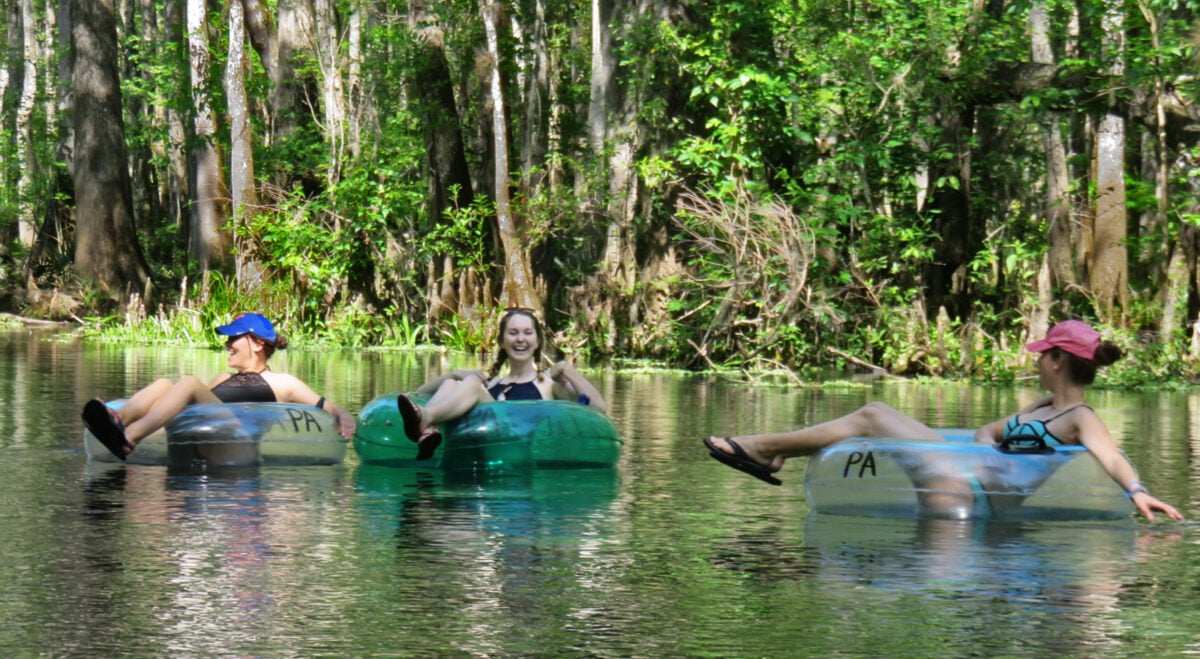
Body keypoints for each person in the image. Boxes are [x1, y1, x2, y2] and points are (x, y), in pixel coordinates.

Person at [704, 320, 1183, 521]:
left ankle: (770, 449)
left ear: (1058, 361)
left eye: (1043, 356)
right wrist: (988, 460)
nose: (1037, 361)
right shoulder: (1039, 409)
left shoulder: (1080, 417)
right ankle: (773, 451)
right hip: (967, 480)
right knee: (877, 415)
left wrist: (1138, 492)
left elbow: (1111, 456)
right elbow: (985, 435)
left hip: (973, 495)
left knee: (874, 414)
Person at [81, 312, 356, 461]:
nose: (227, 345)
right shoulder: (220, 379)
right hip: (211, 438)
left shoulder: (282, 382)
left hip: (241, 444)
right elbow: (182, 417)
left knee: (188, 382)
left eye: (233, 338)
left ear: (258, 343)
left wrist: (343, 416)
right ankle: (118, 422)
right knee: (166, 383)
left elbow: (327, 407)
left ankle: (129, 438)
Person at [397, 308, 608, 460]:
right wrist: (454, 373)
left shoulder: (547, 383)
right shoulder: (491, 382)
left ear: (537, 341)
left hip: (512, 450)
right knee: (452, 383)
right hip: (475, 451)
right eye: (513, 333)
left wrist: (566, 368)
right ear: (501, 341)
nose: (520, 339)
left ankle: (427, 419)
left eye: (527, 333)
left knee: (470, 382)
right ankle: (428, 430)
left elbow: (598, 408)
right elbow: (418, 393)